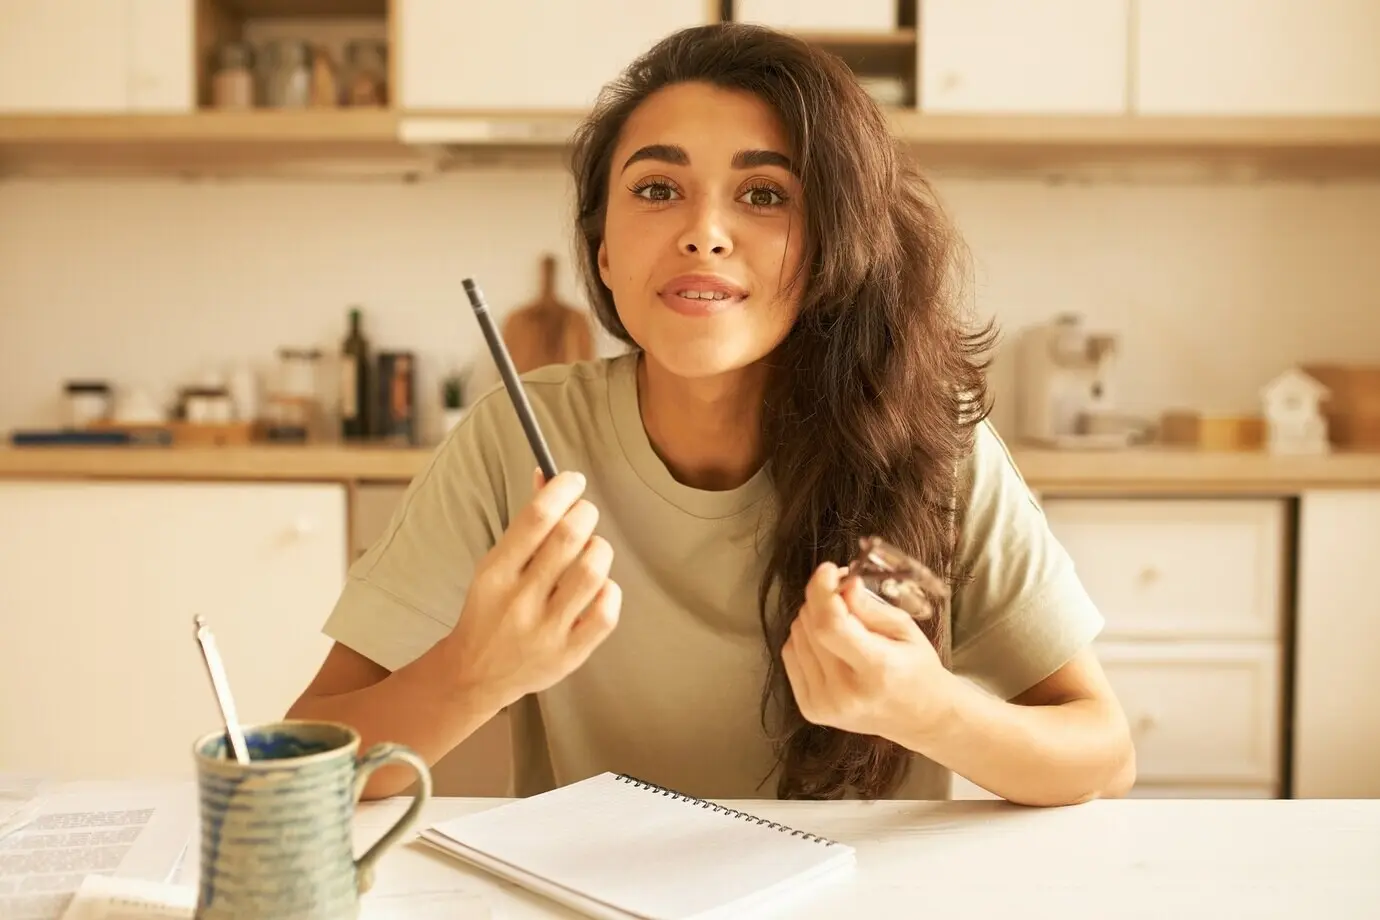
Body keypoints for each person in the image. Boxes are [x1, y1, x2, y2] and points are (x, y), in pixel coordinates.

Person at [286, 22, 1135, 807]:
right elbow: (296, 761)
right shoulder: (514, 440)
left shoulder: (931, 440)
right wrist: (471, 673)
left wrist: (933, 712)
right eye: (658, 187)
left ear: (833, 248)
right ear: (604, 253)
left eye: (765, 195)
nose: (704, 232)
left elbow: (1103, 752)